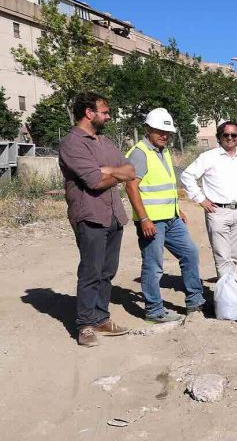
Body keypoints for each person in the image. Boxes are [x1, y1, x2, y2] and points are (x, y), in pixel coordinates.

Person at [58, 92, 135, 347]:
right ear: (89, 113)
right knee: (91, 271)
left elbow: (130, 170)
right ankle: (85, 325)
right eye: (104, 112)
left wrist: (108, 170)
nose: (108, 116)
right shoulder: (73, 143)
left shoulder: (104, 141)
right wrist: (113, 173)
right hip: (90, 215)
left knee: (107, 270)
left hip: (113, 214)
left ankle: (101, 317)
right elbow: (94, 181)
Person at [124, 108, 205, 324]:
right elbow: (131, 187)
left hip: (171, 218)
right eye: (160, 131)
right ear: (148, 129)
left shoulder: (163, 151)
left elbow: (166, 186)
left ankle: (195, 301)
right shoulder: (140, 152)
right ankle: (154, 310)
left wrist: (177, 209)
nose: (164, 135)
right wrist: (144, 219)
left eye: (167, 132)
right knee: (153, 265)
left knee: (190, 253)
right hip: (151, 222)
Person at [180, 121, 237, 278]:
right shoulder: (208, 157)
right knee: (222, 258)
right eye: (225, 135)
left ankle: (229, 288)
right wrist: (201, 199)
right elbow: (187, 176)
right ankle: (226, 298)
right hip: (217, 212)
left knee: (233, 256)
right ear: (219, 137)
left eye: (233, 135)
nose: (230, 138)